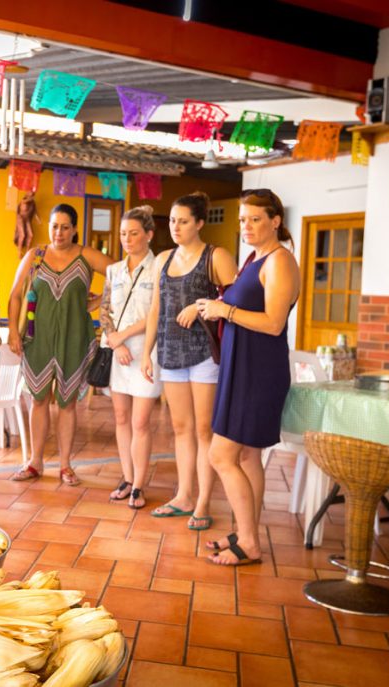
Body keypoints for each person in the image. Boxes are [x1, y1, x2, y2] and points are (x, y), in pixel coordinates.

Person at [196, 188, 299, 566]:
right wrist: (215, 308)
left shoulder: (280, 261)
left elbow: (273, 323)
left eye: (255, 219)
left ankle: (251, 543)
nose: (247, 226)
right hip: (242, 366)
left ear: (275, 221)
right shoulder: (255, 258)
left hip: (259, 371)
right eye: (242, 219)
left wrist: (225, 311)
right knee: (249, 457)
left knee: (220, 454)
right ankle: (244, 532)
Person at [141, 192, 237, 531]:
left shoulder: (216, 256)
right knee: (180, 429)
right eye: (172, 220)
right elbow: (156, 308)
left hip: (204, 354)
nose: (176, 226)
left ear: (199, 223)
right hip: (170, 352)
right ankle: (183, 495)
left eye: (183, 221)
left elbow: (236, 299)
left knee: (202, 429)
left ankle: (203, 503)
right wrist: (147, 352)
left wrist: (198, 305)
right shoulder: (163, 259)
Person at [8, 204, 113, 485]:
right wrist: (13, 333)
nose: (59, 232)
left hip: (74, 338)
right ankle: (35, 462)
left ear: (75, 229)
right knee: (38, 399)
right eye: (55, 226)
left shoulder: (85, 255)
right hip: (37, 338)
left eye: (65, 227)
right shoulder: (36, 255)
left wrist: (98, 300)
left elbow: (121, 274)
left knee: (67, 404)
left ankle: (66, 465)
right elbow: (15, 294)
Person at [99, 206, 163, 509]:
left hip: (146, 352)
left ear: (149, 235)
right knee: (121, 418)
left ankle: (139, 485)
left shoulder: (159, 268)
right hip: (119, 351)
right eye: (123, 233)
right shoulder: (113, 270)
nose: (127, 239)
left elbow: (156, 314)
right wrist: (116, 343)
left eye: (134, 233)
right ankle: (127, 477)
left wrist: (124, 337)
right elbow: (104, 311)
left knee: (140, 422)